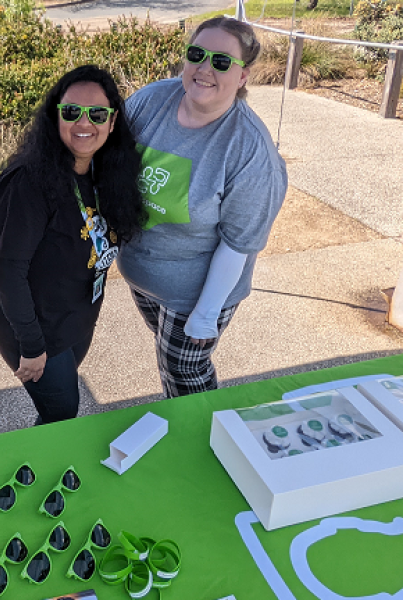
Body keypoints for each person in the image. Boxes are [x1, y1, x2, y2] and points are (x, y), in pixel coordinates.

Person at [118, 17, 288, 398]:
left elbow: (239, 242)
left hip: (195, 293)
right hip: (143, 278)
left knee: (184, 372)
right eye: (197, 54)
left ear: (243, 76)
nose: (205, 68)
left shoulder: (249, 150)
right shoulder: (150, 101)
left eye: (222, 61)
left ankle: (202, 439)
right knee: (169, 356)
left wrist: (206, 314)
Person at [0, 65, 146, 424]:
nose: (84, 123)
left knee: (59, 412)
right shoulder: (28, 182)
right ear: (55, 115)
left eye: (97, 113)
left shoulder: (104, 172)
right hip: (33, 327)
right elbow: (9, 271)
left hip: (75, 318)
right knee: (61, 413)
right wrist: (32, 346)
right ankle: (34, 473)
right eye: (71, 112)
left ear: (112, 121)